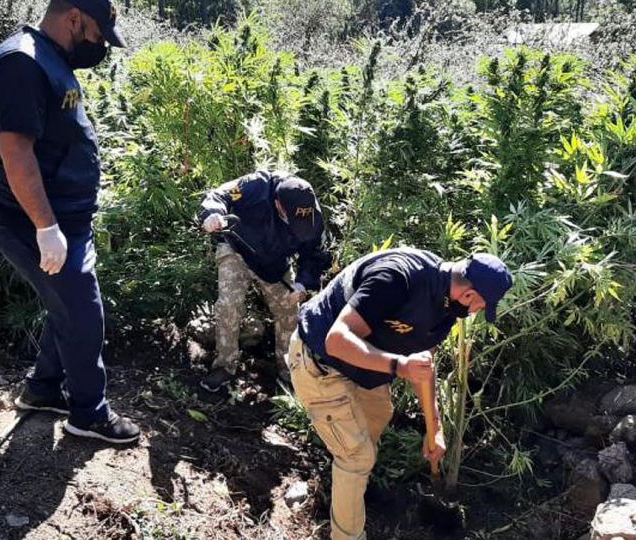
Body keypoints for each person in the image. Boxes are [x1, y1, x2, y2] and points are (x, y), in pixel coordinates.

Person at [0, 0, 139, 443]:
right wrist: (46, 229)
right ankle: (89, 414)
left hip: (62, 217)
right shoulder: (22, 64)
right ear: (73, 17)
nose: (98, 46)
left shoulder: (49, 58)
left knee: (66, 305)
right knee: (84, 314)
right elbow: (16, 152)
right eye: (95, 34)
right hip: (32, 220)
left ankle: (42, 389)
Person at [289, 248, 512, 539]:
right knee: (356, 457)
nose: (478, 312)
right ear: (469, 294)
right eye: (482, 305)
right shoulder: (397, 277)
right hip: (320, 362)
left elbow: (423, 365)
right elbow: (336, 340)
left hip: (364, 369)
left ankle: (348, 493)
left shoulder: (447, 308)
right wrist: (398, 364)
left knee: (379, 416)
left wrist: (435, 427)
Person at [198, 170, 332, 393]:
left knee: (289, 309)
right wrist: (213, 213)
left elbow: (314, 255)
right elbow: (220, 194)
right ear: (278, 204)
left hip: (275, 263)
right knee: (229, 305)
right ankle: (225, 366)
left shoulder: (311, 216)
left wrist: (302, 284)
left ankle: (289, 370)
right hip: (237, 250)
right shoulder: (258, 186)